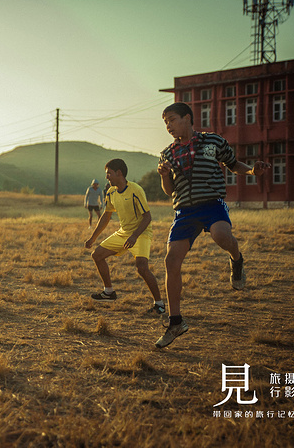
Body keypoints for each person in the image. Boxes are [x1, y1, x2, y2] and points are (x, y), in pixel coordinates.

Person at [155, 102, 270, 348]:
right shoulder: (167, 154)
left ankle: (236, 259)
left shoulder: (213, 141)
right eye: (165, 122)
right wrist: (164, 176)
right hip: (184, 211)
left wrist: (252, 171)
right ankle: (175, 322)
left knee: (220, 235)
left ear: (187, 118)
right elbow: (169, 190)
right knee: (171, 261)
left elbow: (233, 164)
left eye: (172, 120)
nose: (168, 126)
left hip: (212, 204)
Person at [85, 159, 165, 315]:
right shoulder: (111, 192)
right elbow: (106, 216)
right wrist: (93, 238)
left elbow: (147, 217)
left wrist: (134, 236)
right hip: (123, 232)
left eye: (109, 173)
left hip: (141, 233)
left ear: (119, 173)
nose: (106, 177)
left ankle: (159, 305)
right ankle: (109, 292)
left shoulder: (136, 190)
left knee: (142, 267)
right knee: (97, 255)